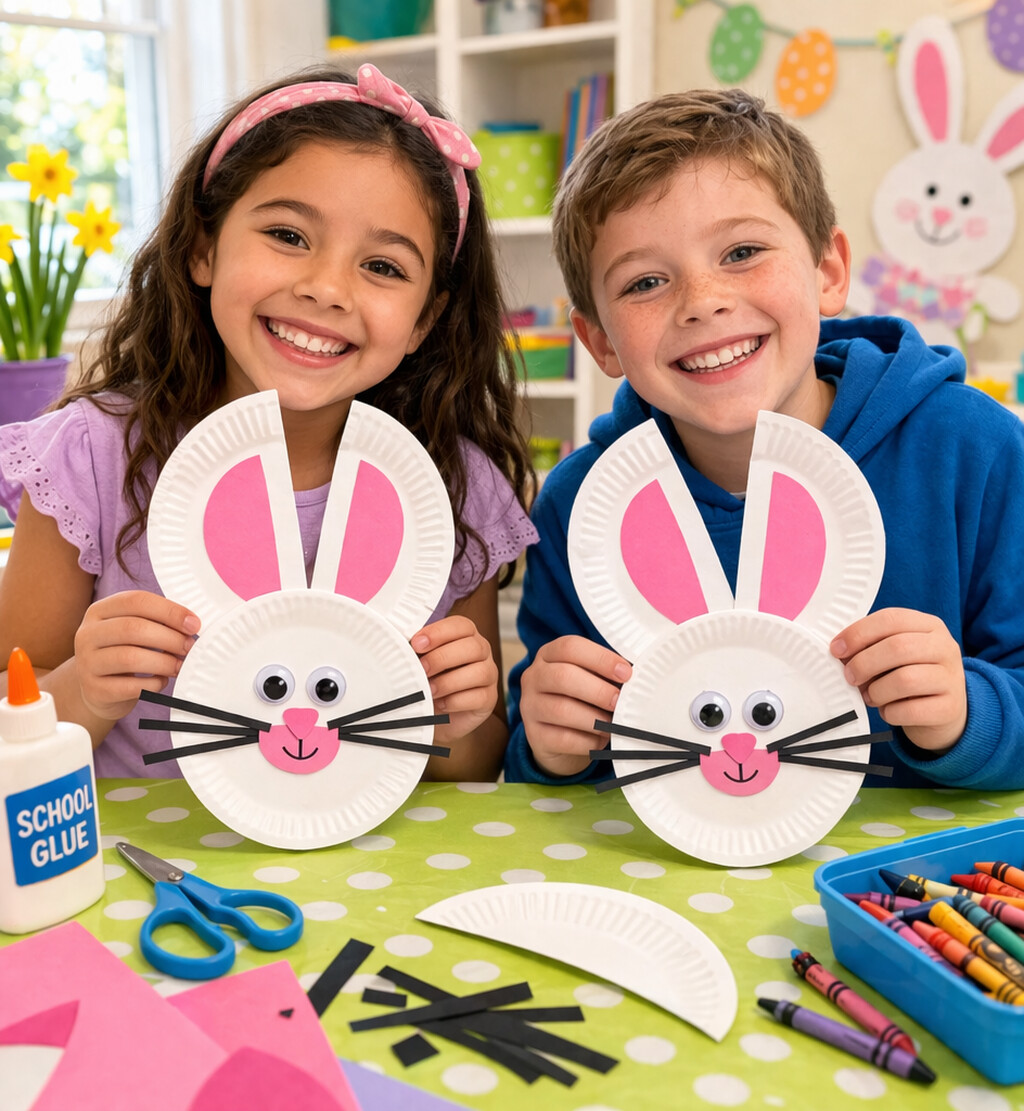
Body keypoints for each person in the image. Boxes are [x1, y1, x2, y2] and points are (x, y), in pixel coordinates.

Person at [0, 63, 537, 782]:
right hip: (143, 847)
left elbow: (471, 766)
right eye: (288, 234)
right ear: (203, 246)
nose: (326, 288)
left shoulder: (449, 485)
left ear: (424, 320)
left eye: (383, 267)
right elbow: (12, 715)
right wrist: (84, 688)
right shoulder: (92, 458)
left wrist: (453, 715)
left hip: (364, 849)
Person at [505, 87, 1024, 791]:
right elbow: (544, 764)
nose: (703, 302)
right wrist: (551, 747)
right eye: (646, 282)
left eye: (743, 251)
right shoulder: (582, 506)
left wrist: (970, 713)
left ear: (828, 272)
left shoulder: (976, 451)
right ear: (598, 340)